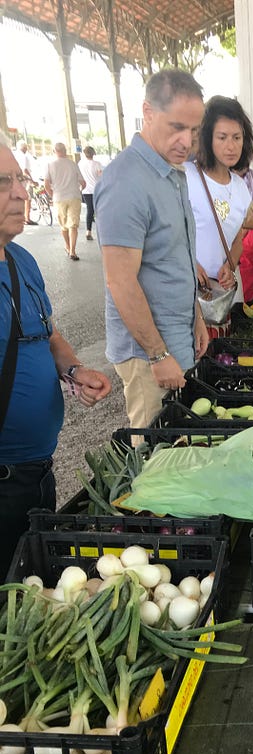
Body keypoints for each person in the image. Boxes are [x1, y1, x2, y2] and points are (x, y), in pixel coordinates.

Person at [0, 137, 111, 579]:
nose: (20, 192)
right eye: (2, 182)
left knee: (29, 585)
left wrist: (74, 369)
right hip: (5, 482)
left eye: (19, 180)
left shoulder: (21, 259)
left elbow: (47, 333)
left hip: (36, 475)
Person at [94, 69, 209, 428]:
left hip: (178, 337)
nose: (186, 140)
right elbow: (121, 281)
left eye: (193, 130)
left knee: (179, 448)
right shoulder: (126, 180)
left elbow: (173, 257)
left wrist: (197, 317)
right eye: (176, 127)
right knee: (153, 460)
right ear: (147, 111)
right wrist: (158, 354)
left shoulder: (173, 172)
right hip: (149, 355)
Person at [185, 96, 253, 337]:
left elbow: (237, 238)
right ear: (207, 139)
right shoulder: (186, 177)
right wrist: (190, 263)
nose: (231, 146)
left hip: (221, 297)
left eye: (237, 137)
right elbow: (165, 232)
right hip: (189, 297)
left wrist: (230, 264)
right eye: (222, 137)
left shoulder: (241, 188)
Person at [45, 142, 85, 260]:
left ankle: (67, 246)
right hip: (74, 197)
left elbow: (46, 185)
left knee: (64, 226)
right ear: (65, 151)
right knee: (73, 225)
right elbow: (83, 183)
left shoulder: (50, 165)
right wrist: (79, 190)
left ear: (54, 151)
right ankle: (73, 251)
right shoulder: (73, 164)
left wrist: (53, 195)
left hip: (58, 198)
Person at [78, 146, 103, 241]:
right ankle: (101, 231)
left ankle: (88, 231)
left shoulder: (80, 164)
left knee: (90, 210)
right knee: (98, 211)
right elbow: (101, 176)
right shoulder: (97, 164)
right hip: (97, 190)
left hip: (85, 190)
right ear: (93, 153)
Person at [13, 140, 37, 226]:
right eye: (26, 147)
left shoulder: (13, 154)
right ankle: (26, 218)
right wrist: (32, 181)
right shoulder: (23, 157)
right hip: (21, 181)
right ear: (24, 147)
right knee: (27, 198)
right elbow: (25, 170)